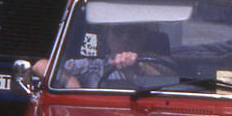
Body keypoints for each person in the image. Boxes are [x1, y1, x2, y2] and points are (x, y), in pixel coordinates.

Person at [34, 22, 176, 88]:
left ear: (144, 37)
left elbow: (173, 79)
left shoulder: (157, 62)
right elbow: (40, 66)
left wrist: (137, 66)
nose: (126, 38)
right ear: (107, 36)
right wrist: (70, 82)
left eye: (135, 33)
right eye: (119, 31)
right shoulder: (93, 66)